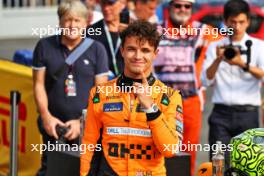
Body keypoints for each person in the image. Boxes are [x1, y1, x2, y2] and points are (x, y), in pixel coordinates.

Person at [80, 21, 183, 176]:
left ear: (155, 53)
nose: (138, 56)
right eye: (131, 49)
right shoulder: (100, 93)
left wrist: (151, 109)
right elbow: (89, 145)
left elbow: (171, 150)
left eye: (145, 50)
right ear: (122, 51)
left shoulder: (170, 97)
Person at [32, 1, 109, 175]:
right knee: (51, 169)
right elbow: (38, 85)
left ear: (85, 22)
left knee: (83, 170)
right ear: (60, 22)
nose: (72, 25)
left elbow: (101, 93)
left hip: (87, 127)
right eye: (67, 20)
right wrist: (46, 117)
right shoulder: (44, 46)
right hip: (53, 126)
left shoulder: (97, 49)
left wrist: (81, 123)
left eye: (77, 20)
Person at [153, 0, 221, 174]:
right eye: (178, 5)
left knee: (188, 154)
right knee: (157, 152)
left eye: (187, 6)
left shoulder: (204, 31)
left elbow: (231, 41)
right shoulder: (155, 31)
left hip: (190, 103)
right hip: (160, 102)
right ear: (170, 7)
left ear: (191, 8)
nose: (182, 9)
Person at [201, 0, 264, 168]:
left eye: (241, 22)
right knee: (218, 166)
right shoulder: (215, 46)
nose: (237, 26)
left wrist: (241, 63)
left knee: (249, 167)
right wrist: (218, 59)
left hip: (248, 114)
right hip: (221, 114)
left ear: (248, 22)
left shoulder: (259, 46)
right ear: (225, 21)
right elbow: (205, 80)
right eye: (233, 22)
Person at [87, 0, 127, 79]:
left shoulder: (134, 30)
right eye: (103, 3)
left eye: (110, 4)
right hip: (102, 85)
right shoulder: (91, 31)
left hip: (130, 86)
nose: (106, 8)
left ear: (123, 3)